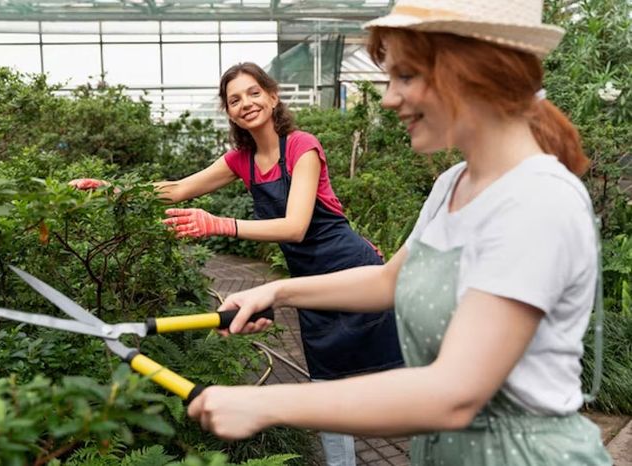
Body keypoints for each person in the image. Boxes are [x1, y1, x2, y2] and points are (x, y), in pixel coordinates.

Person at [184, 1, 613, 464]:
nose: (388, 98)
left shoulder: (537, 200)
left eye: (405, 77)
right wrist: (274, 292)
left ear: (475, 71)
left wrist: (263, 403)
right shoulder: (454, 184)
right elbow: (389, 281)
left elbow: (454, 394)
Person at [71, 62, 404, 466]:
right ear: (228, 112)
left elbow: (296, 227)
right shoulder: (241, 160)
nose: (245, 103)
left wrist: (219, 224)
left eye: (253, 92)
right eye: (234, 99)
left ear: (272, 96)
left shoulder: (302, 145)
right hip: (309, 288)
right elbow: (177, 189)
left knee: (397, 378)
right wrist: (112, 191)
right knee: (326, 387)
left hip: (354, 272)